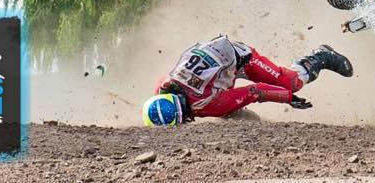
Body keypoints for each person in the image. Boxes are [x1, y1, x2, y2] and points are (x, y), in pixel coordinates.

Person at [141, 35, 353, 126]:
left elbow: (255, 91)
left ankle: (320, 56)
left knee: (291, 82)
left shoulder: (202, 104)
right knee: (225, 107)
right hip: (219, 59)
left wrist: (288, 97)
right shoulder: (163, 87)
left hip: (242, 59)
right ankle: (237, 113)